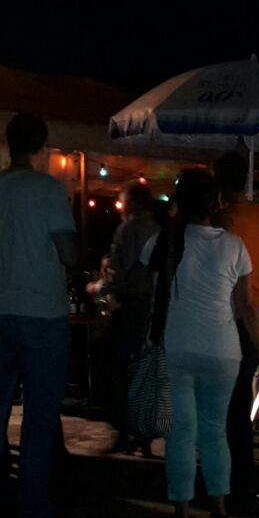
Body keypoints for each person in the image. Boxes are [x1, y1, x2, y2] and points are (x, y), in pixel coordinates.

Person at [0, 113, 79, 518]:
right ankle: (32, 509)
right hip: (42, 311)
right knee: (39, 415)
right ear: (43, 148)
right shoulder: (48, 189)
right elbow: (69, 253)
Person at [141, 168, 259, 518]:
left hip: (178, 348)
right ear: (216, 203)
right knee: (216, 434)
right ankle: (220, 515)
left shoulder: (164, 240)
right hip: (223, 351)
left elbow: (144, 283)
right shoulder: (234, 246)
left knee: (181, 435)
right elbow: (247, 307)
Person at [212, 153, 259, 508]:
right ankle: (240, 478)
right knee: (237, 402)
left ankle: (233, 479)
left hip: (233, 313)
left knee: (228, 406)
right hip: (258, 310)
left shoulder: (224, 220)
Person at [89, 182, 160, 456]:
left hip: (131, 306)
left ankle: (122, 427)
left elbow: (119, 273)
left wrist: (98, 289)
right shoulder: (158, 229)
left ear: (130, 203)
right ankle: (143, 433)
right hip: (153, 308)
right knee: (143, 369)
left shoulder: (128, 230)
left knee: (110, 362)